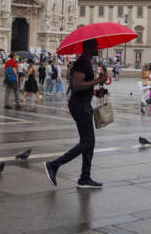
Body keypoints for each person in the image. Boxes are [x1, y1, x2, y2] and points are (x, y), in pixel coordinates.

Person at [44, 39, 108, 189]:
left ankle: (85, 177)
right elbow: (76, 85)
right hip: (79, 106)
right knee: (87, 142)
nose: (98, 48)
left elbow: (83, 87)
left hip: (83, 104)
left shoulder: (86, 62)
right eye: (95, 46)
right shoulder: (82, 63)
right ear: (88, 47)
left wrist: (96, 91)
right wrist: (97, 80)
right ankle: (54, 165)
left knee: (89, 142)